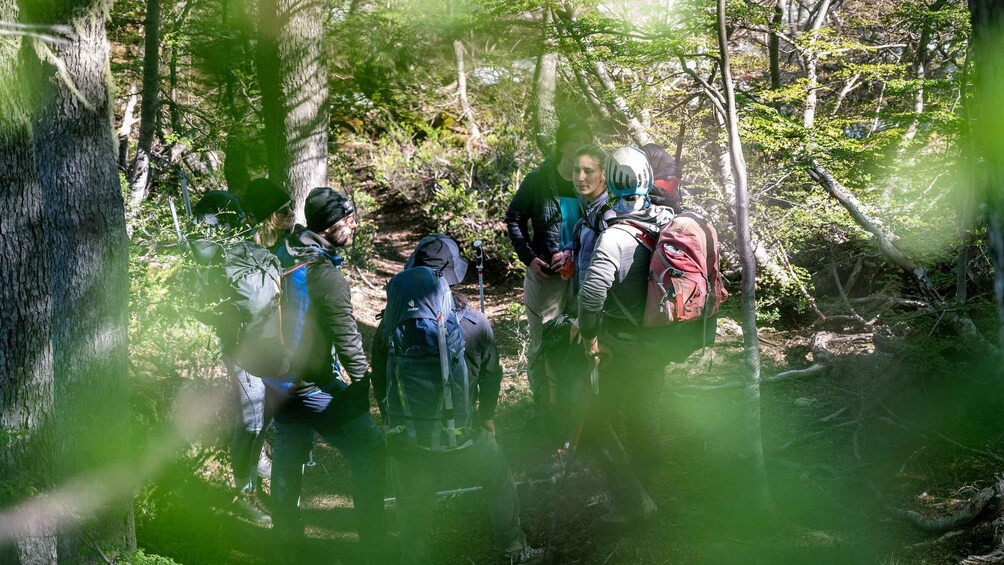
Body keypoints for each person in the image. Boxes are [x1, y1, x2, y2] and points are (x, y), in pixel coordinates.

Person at [371, 234, 550, 565]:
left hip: (408, 439)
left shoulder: (389, 327)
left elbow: (379, 379)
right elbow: (492, 375)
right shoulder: (474, 322)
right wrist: (486, 417)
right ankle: (515, 551)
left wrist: (392, 419)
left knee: (410, 503)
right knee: (498, 477)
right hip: (461, 438)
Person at [268, 187, 386, 560]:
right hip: (311, 383)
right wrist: (363, 385)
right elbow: (348, 338)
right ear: (330, 225)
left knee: (287, 456)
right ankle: (373, 540)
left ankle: (285, 537)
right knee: (369, 447)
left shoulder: (286, 249)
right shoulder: (326, 276)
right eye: (347, 220)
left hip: (277, 378)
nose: (353, 226)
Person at [576, 146, 677, 524]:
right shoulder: (667, 219)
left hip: (621, 348)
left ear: (610, 183)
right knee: (643, 420)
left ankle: (633, 502)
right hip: (657, 343)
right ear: (647, 180)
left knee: (596, 424)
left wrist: (589, 337)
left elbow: (591, 295)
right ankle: (646, 492)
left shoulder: (614, 238)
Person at [190, 179, 292, 524]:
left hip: (264, 344)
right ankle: (242, 493)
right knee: (251, 416)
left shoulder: (268, 247)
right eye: (284, 211)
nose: (292, 215)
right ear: (268, 218)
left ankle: (255, 461)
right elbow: (252, 303)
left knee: (265, 412)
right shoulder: (239, 255)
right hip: (240, 345)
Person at [505, 120, 593, 430]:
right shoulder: (539, 180)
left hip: (581, 277)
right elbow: (513, 218)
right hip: (547, 278)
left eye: (587, 142)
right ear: (561, 147)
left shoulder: (591, 182)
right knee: (542, 343)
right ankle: (544, 411)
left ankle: (573, 409)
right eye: (577, 141)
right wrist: (529, 258)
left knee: (579, 339)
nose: (583, 148)